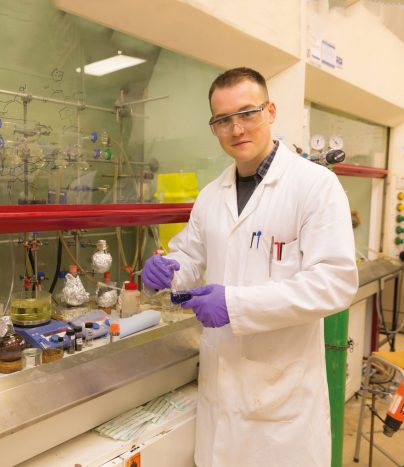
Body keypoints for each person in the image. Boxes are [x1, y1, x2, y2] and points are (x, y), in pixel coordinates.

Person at [141, 67, 358, 466]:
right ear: (214, 127)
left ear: (270, 111)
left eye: (247, 113)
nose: (236, 128)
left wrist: (236, 305)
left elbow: (335, 282)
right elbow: (191, 255)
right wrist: (169, 268)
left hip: (281, 402)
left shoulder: (314, 186)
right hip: (221, 391)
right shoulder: (211, 195)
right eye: (223, 120)